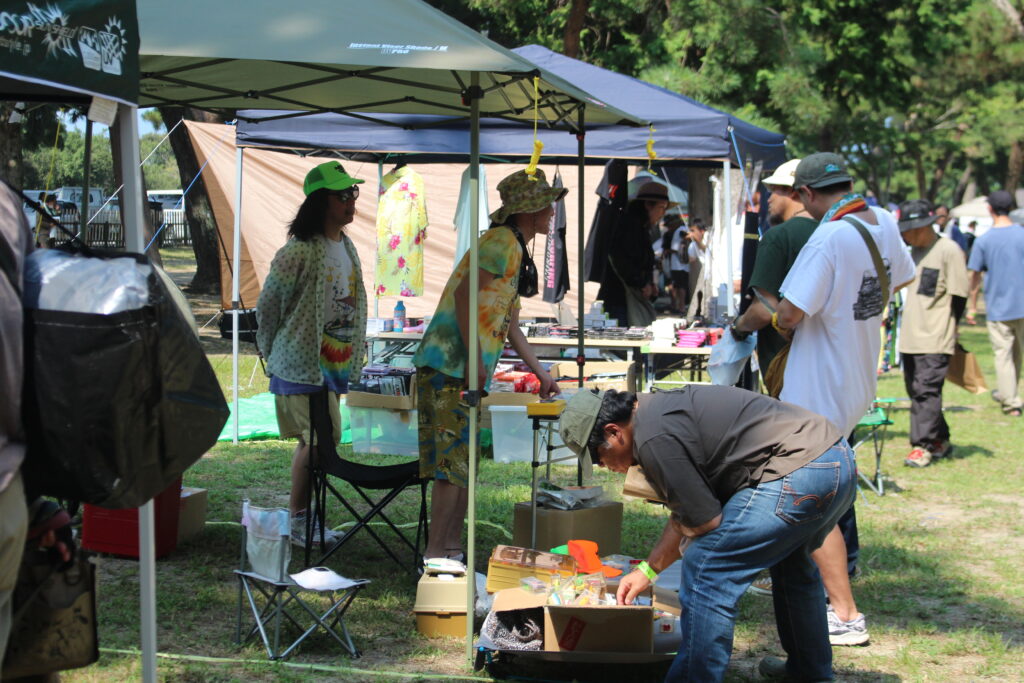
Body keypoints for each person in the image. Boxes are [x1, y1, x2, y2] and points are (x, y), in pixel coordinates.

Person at [558, 387, 854, 683]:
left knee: (706, 567)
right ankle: (809, 673)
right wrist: (647, 570)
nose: (603, 466)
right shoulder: (652, 414)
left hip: (802, 470)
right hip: (833, 456)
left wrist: (659, 561)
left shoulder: (653, 439)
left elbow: (704, 521)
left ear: (613, 432)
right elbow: (688, 511)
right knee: (793, 566)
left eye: (598, 456)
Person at [775, 153, 915, 647]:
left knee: (813, 504)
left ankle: (844, 613)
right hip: (855, 380)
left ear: (808, 194)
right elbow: (903, 277)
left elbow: (789, 313)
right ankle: (809, 590)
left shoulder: (829, 236)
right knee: (821, 497)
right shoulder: (883, 223)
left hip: (818, 387)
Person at [413, 168, 561, 563]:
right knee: (452, 466)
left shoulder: (513, 245)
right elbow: (464, 296)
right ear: (529, 210)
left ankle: (451, 550)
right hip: (449, 366)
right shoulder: (501, 242)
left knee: (465, 465)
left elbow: (509, 323)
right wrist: (476, 360)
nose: (552, 211)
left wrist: (541, 373)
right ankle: (435, 556)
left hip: (462, 368)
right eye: (547, 204)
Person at [256, 161, 368, 545]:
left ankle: (306, 519)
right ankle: (299, 520)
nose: (351, 201)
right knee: (317, 441)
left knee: (325, 440)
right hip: (298, 364)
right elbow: (268, 306)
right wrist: (269, 351)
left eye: (353, 192)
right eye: (343, 195)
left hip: (330, 365)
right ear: (321, 201)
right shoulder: (298, 251)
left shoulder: (346, 246)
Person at [896, 199, 969, 466]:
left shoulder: (948, 250)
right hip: (910, 336)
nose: (905, 235)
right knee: (917, 391)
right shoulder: (910, 252)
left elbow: (959, 296)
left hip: (936, 335)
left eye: (908, 230)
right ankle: (940, 439)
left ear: (922, 227)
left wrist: (951, 329)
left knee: (926, 391)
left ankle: (922, 446)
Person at [731, 158, 815, 379]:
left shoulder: (778, 237)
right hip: (828, 362)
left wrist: (738, 327)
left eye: (775, 190)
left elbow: (764, 311)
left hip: (788, 364)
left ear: (794, 192)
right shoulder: (834, 232)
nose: (769, 198)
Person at [966, 190, 1024, 417]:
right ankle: (1010, 394)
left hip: (999, 307)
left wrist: (972, 306)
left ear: (989, 209)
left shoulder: (984, 240)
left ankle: (1010, 401)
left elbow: (975, 276)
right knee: (1015, 355)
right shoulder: (1022, 235)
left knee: (1004, 355)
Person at [596, 181, 670, 325]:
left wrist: (649, 284)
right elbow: (622, 261)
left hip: (627, 299)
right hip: (619, 300)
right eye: (661, 207)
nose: (663, 213)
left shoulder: (641, 229)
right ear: (648, 205)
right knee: (624, 337)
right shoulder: (629, 226)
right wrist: (642, 283)